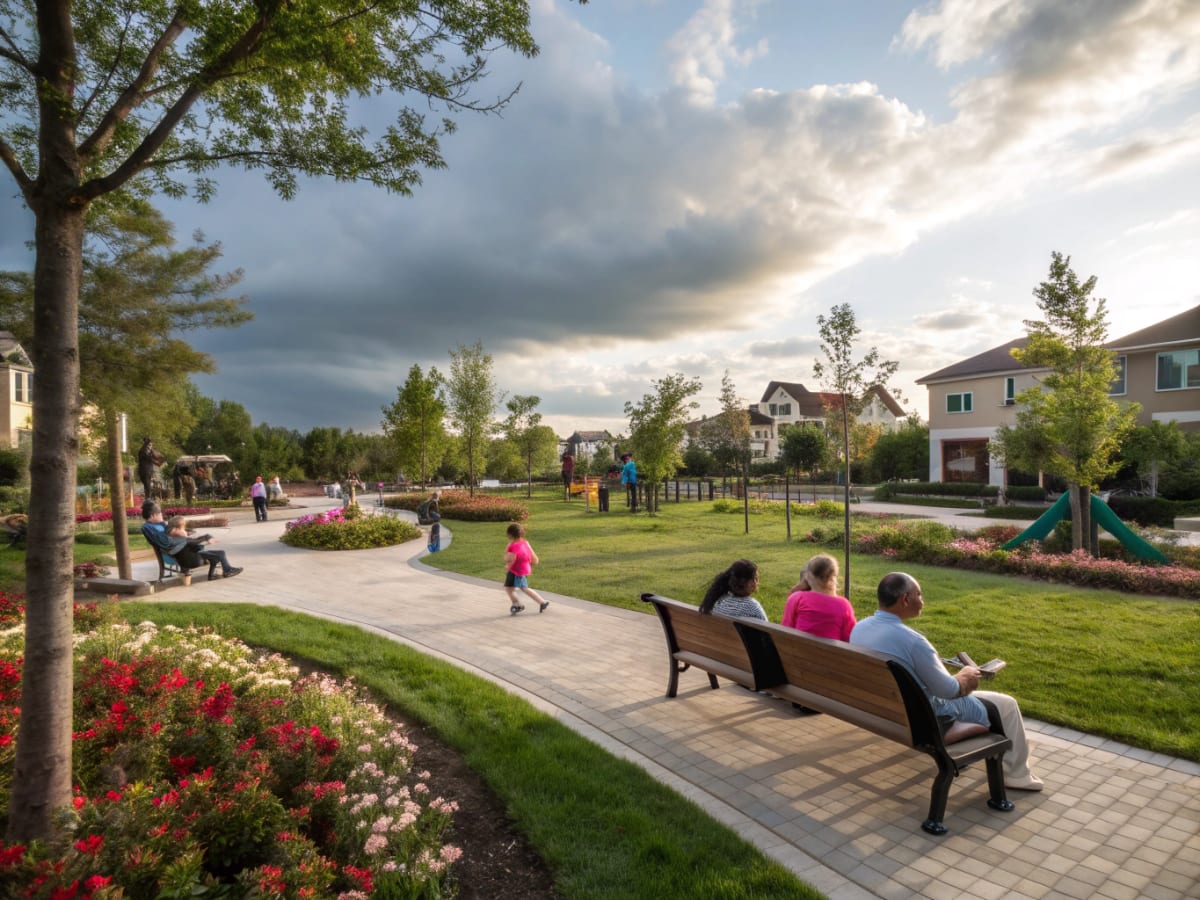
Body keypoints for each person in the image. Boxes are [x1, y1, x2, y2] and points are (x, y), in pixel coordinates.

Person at [850, 572, 1042, 791]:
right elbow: (950, 690)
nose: (922, 601)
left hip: (887, 710)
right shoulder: (913, 641)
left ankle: (1013, 759)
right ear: (905, 599)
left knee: (997, 704)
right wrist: (966, 675)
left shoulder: (860, 628)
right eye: (919, 595)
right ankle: (1017, 775)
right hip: (927, 719)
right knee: (1006, 705)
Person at [141, 501, 243, 580]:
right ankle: (226, 570)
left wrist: (181, 533)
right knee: (218, 553)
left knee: (213, 550)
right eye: (160, 514)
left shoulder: (159, 524)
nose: (162, 516)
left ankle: (218, 572)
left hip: (184, 548)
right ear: (152, 515)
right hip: (181, 553)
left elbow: (171, 531)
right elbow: (167, 541)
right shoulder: (148, 528)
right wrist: (182, 537)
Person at [781, 553, 856, 641]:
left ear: (808, 576)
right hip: (829, 650)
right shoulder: (843, 605)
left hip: (797, 649)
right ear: (834, 577)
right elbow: (850, 638)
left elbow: (785, 630)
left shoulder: (797, 598)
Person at [503, 522, 549, 615]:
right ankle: (517, 604)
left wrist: (507, 562)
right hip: (522, 569)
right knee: (511, 588)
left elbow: (509, 558)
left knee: (520, 588)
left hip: (516, 571)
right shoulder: (525, 543)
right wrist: (535, 560)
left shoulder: (512, 546)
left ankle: (541, 602)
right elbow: (533, 556)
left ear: (509, 534)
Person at [699, 559, 767, 620]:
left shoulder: (716, 600)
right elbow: (766, 626)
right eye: (756, 578)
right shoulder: (752, 607)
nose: (757, 582)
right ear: (751, 583)